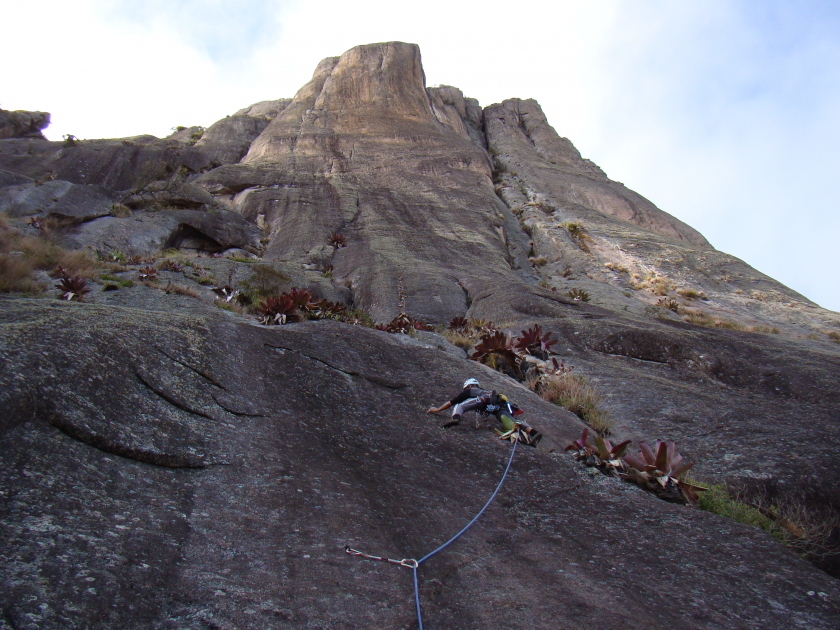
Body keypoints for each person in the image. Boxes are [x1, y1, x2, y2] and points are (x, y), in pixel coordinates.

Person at [427, 378, 542, 446]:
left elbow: (451, 402)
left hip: (484, 401)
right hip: (498, 405)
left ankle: (455, 418)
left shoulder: (470, 390)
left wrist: (437, 409)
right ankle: (533, 433)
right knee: (514, 422)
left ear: (468, 386)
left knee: (460, 406)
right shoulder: (485, 390)